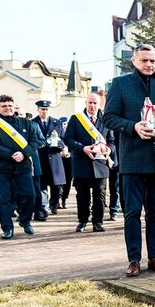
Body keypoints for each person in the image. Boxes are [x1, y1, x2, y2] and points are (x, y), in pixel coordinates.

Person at [103, 43, 155, 277]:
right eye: (144, 60)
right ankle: (133, 260)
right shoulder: (120, 84)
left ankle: (154, 257)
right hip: (133, 158)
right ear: (134, 61)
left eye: (152, 60)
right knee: (132, 212)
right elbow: (109, 118)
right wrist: (133, 127)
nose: (149, 64)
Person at [0, 95, 42, 239]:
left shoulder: (25, 122)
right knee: (4, 199)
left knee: (30, 195)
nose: (8, 108)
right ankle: (7, 228)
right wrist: (10, 154)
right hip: (1, 168)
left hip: (23, 166)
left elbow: (34, 142)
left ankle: (25, 221)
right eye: (4, 106)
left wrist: (24, 154)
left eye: (10, 105)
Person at [64, 92, 115, 233]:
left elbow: (112, 141)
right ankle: (82, 221)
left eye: (95, 103)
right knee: (82, 196)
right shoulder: (76, 119)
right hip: (82, 162)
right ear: (86, 103)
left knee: (100, 195)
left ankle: (98, 222)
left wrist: (108, 150)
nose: (92, 106)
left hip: (100, 163)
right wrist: (82, 148)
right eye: (90, 103)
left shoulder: (106, 120)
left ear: (99, 104)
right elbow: (68, 139)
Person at [31, 100, 66, 214]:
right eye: (42, 109)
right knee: (42, 184)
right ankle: (43, 206)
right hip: (40, 157)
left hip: (54, 156)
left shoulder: (57, 122)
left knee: (56, 184)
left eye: (46, 109)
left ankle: (54, 204)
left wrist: (59, 145)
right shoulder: (33, 123)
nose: (44, 111)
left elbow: (63, 138)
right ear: (38, 110)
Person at [58, 116, 72, 209]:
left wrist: (70, 153)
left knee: (68, 180)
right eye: (62, 124)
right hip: (60, 159)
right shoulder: (57, 134)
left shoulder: (71, 134)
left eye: (65, 124)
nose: (64, 126)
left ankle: (64, 199)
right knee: (59, 180)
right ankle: (58, 198)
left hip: (69, 159)